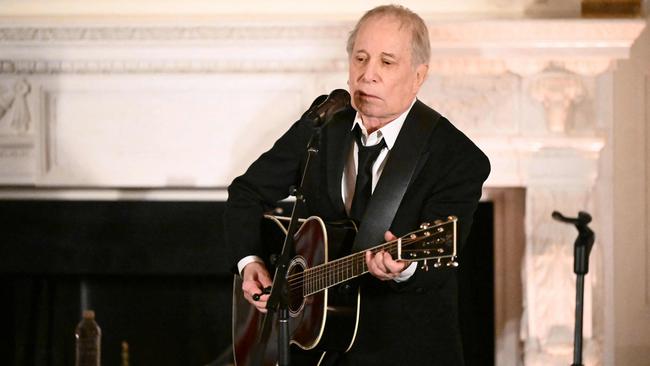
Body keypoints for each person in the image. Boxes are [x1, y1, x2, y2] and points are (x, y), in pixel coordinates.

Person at [224, 4, 490, 365]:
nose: (368, 75)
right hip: (316, 349)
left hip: (404, 351)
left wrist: (406, 267)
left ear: (419, 75)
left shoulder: (457, 158)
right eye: (360, 59)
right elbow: (246, 193)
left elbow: (440, 263)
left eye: (387, 62)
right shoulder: (324, 124)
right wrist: (251, 262)